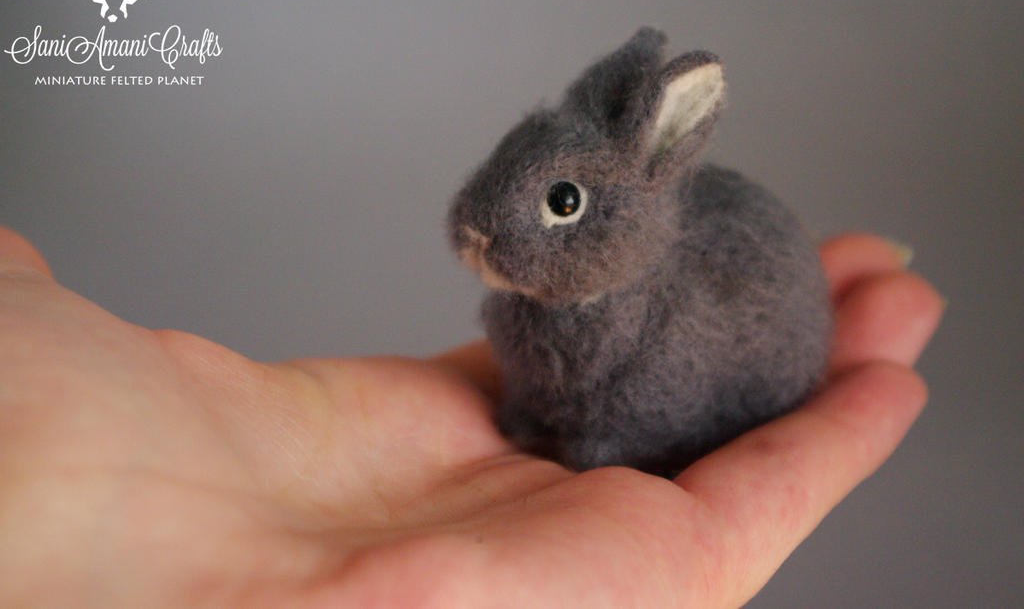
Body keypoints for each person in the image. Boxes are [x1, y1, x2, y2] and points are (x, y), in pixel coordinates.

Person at [0, 227, 942, 607]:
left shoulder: (669, 301)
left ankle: (607, 430)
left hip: (693, 384)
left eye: (561, 206)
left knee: (640, 379)